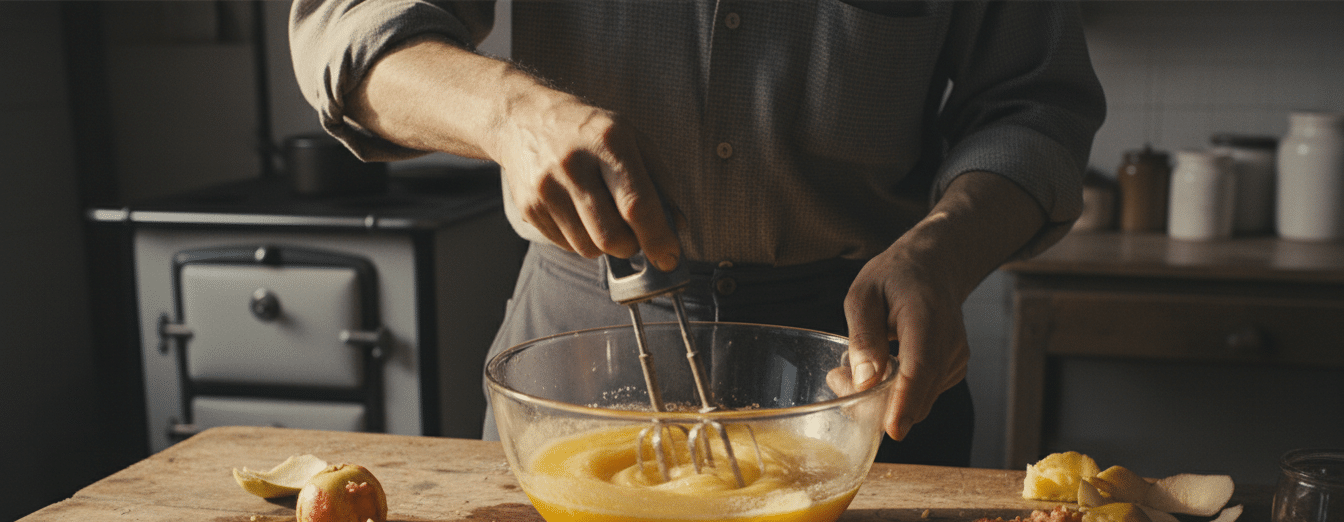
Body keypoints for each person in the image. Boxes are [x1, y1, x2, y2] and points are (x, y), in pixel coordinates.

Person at [289, 0, 1105, 466]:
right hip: (574, 360)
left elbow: (1037, 106)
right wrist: (509, 114)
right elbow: (348, 27)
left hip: (862, 373)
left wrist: (946, 248)